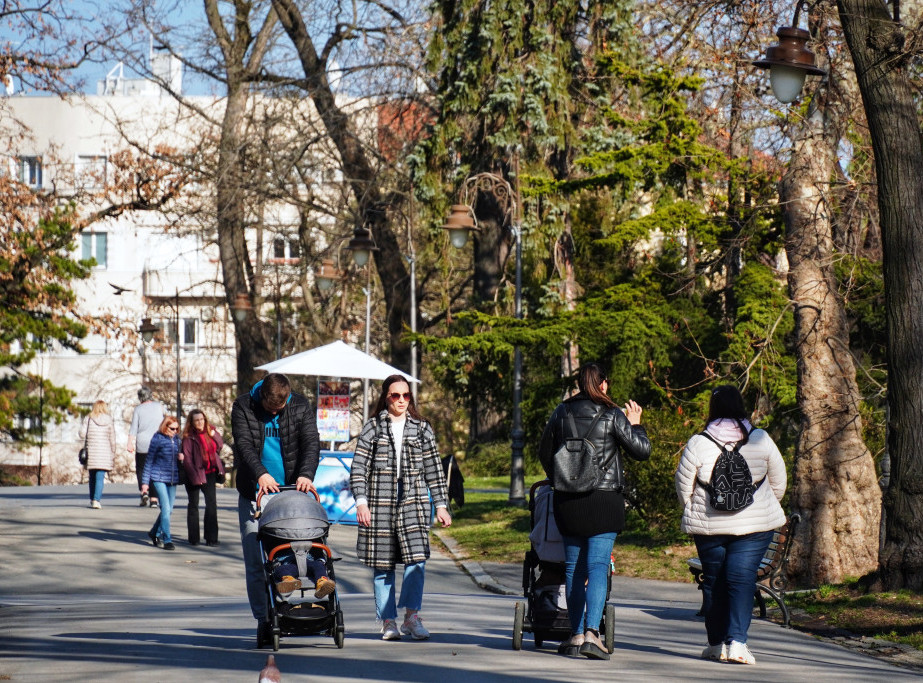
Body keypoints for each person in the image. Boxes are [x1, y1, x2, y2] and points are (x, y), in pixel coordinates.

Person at [538, 362, 651, 660]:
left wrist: (561, 479)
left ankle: (575, 635)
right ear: (602, 385)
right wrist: (636, 422)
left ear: (579, 383)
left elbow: (544, 451)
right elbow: (641, 451)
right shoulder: (613, 414)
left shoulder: (561, 412)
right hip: (604, 499)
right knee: (598, 565)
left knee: (573, 568)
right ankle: (592, 634)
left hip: (569, 501)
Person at [674, 385, 787, 665]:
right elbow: (779, 482)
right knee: (740, 579)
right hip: (754, 527)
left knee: (713, 581)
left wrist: (695, 507)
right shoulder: (760, 439)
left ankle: (714, 645)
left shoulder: (698, 442)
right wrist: (760, 504)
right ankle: (737, 643)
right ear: (741, 406)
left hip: (709, 527)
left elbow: (683, 485)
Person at [350, 375, 452, 642]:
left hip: (414, 500)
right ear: (386, 397)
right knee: (382, 563)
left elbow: (434, 469)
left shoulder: (422, 429)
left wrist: (440, 505)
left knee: (416, 559)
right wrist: (361, 501)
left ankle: (411, 617)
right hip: (379, 500)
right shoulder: (372, 428)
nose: (401, 401)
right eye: (396, 396)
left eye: (406, 395)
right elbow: (359, 468)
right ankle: (387, 621)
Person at [231, 372, 320, 646]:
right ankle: (264, 619)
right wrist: (260, 474)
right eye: (270, 408)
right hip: (255, 493)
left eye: (278, 409)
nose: (273, 412)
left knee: (298, 552)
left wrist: (305, 473)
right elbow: (244, 445)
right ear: (262, 397)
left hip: (293, 493)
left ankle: (298, 606)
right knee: (256, 562)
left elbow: (311, 443)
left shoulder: (300, 405)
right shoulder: (243, 405)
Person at [181, 409, 226, 547]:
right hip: (194, 474)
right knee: (193, 505)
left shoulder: (210, 433)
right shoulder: (188, 437)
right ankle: (194, 538)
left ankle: (211, 538)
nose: (200, 422)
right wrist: (195, 476)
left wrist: (214, 434)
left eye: (202, 419)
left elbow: (219, 446)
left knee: (211, 505)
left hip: (210, 472)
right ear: (192, 423)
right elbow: (187, 460)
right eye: (197, 420)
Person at [141, 416, 183, 551]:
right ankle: (167, 539)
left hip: (172, 478)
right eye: (172, 428)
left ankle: (154, 532)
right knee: (165, 508)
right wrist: (145, 483)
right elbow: (149, 461)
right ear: (165, 427)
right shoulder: (157, 439)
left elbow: (179, 456)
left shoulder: (177, 440)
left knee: (169, 510)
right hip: (158, 477)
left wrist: (181, 457)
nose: (175, 431)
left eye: (177, 429)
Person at [127, 387, 166, 508]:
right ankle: (154, 500)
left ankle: (144, 490)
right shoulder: (159, 406)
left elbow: (134, 427)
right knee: (155, 470)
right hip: (158, 442)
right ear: (151, 395)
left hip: (142, 443)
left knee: (141, 468)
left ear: (140, 397)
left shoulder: (138, 409)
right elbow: (166, 421)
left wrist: (130, 442)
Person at [79, 400, 117, 509]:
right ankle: (96, 500)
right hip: (104, 452)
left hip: (91, 451)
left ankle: (92, 499)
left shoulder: (89, 418)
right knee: (100, 477)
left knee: (92, 477)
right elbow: (112, 438)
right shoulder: (109, 420)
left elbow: (82, 434)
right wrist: (113, 451)